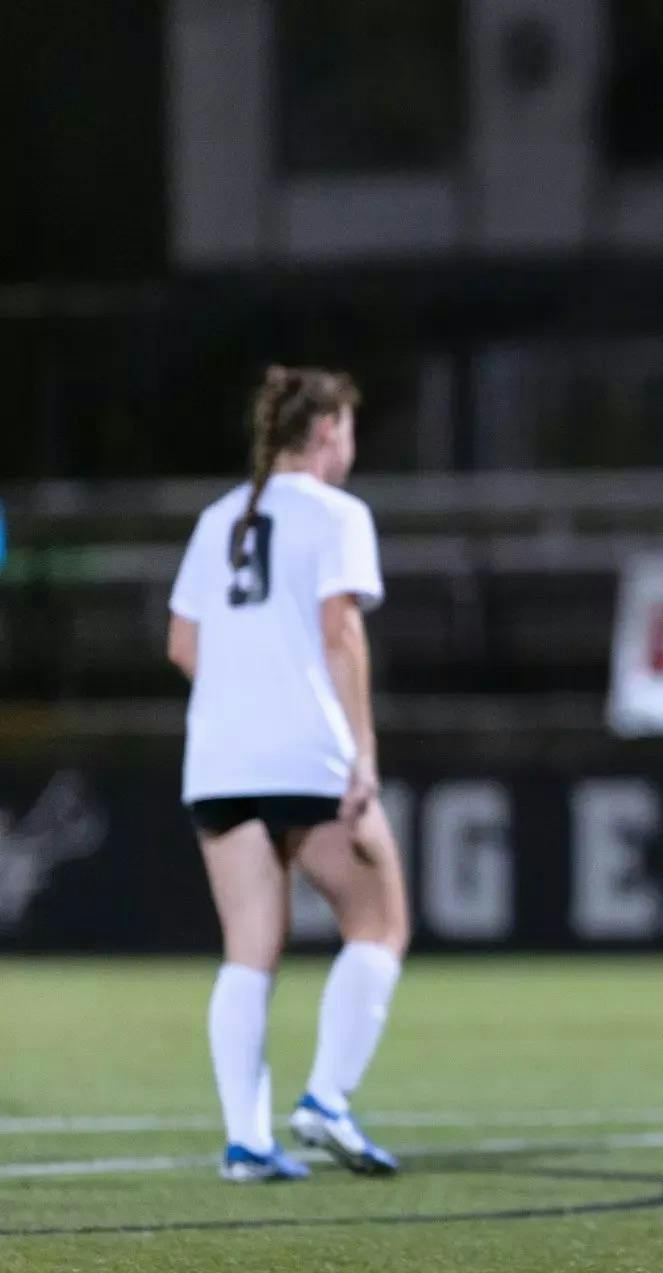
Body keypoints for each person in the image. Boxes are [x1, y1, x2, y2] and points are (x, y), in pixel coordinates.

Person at [167, 366, 408, 1182]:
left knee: (248, 950)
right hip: (307, 752)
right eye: (346, 428)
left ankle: (245, 1142)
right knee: (380, 923)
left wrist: (244, 699)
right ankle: (327, 1099)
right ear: (327, 432)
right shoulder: (339, 515)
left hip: (217, 757)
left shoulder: (216, 519)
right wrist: (362, 755)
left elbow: (183, 645)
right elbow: (341, 633)